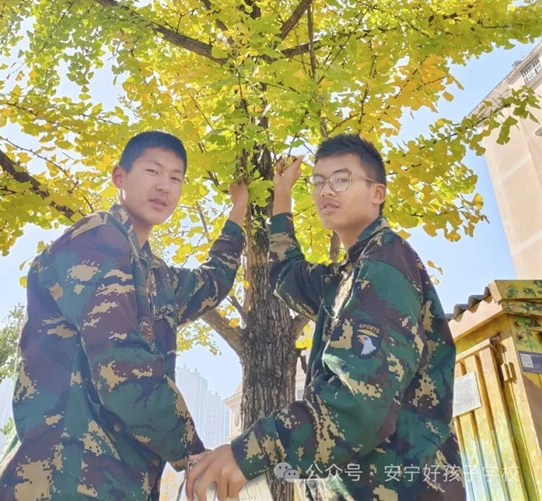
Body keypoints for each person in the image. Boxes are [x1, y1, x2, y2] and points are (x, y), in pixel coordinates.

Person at [186, 133, 464, 501]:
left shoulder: (384, 267)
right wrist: (282, 195)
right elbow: (287, 274)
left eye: (341, 179)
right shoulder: (349, 274)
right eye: (317, 182)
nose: (325, 191)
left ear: (377, 193)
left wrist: (246, 453)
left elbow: (356, 401)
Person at [0, 129, 247, 501]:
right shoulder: (96, 240)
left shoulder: (153, 274)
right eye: (152, 171)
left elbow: (212, 283)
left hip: (120, 483)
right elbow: (123, 368)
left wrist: (238, 211)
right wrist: (195, 454)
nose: (164, 186)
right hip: (61, 479)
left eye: (175, 178)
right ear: (119, 177)